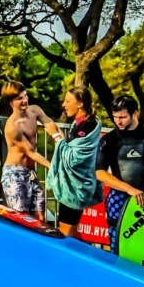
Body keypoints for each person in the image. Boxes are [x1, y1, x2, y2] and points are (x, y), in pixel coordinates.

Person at [96, 95, 144, 256]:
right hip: (119, 196)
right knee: (118, 243)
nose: (118, 121)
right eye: (115, 117)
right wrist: (128, 189)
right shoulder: (109, 139)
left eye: (122, 117)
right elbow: (100, 173)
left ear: (135, 113)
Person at [0, 80, 61, 219]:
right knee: (21, 218)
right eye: (19, 98)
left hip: (31, 173)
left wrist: (60, 140)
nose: (24, 100)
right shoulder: (12, 127)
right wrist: (54, 168)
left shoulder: (34, 110)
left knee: (40, 216)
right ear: (10, 102)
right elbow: (31, 152)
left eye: (25, 96)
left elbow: (51, 125)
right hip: (14, 174)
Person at [47, 86, 103, 237]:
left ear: (79, 104)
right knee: (73, 231)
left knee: (65, 234)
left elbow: (73, 159)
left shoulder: (85, 126)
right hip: (77, 186)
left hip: (75, 188)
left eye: (67, 101)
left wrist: (55, 136)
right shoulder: (83, 123)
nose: (63, 105)